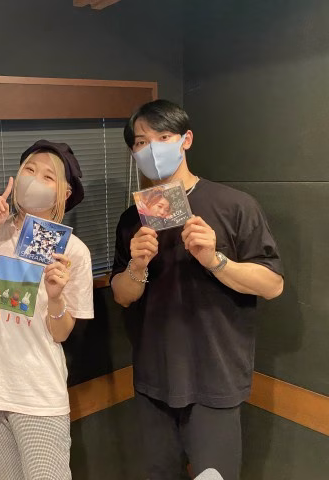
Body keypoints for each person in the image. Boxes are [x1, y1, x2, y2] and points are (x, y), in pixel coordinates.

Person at [110, 100, 284, 480]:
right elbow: (122, 296)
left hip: (214, 379)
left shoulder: (235, 206)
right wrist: (137, 266)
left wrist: (215, 260)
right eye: (141, 142)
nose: (152, 149)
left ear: (185, 139)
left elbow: (273, 285)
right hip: (154, 379)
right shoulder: (132, 219)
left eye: (163, 137)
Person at [0, 140, 94, 479]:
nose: (34, 179)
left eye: (48, 176)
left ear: (64, 193)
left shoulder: (73, 252)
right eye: (29, 169)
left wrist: (55, 297)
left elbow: (61, 333)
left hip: (38, 395)